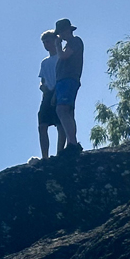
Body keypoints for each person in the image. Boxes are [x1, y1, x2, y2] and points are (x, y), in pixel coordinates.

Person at [53, 18, 85, 155]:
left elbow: (64, 56)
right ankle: (72, 142)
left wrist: (57, 46)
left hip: (69, 79)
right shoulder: (69, 44)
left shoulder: (75, 41)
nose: (60, 35)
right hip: (63, 81)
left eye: (61, 32)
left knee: (62, 109)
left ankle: (72, 142)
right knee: (67, 111)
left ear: (67, 30)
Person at [38, 29, 66, 159]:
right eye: (44, 43)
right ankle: (45, 157)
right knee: (42, 125)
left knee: (60, 124)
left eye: (48, 41)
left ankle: (60, 153)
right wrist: (42, 87)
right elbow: (43, 79)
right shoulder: (44, 62)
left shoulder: (61, 57)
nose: (46, 45)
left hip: (60, 91)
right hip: (47, 94)